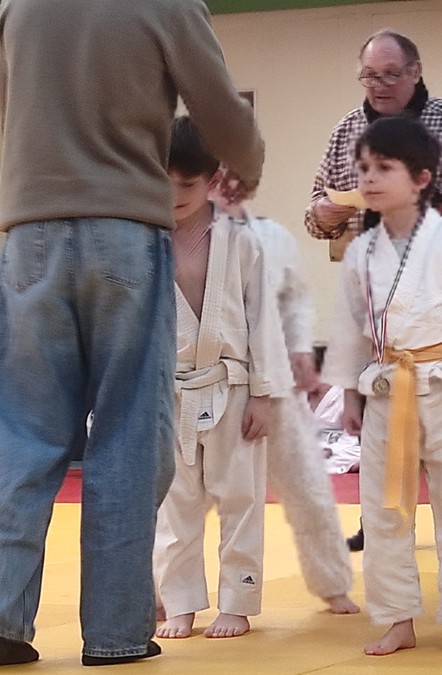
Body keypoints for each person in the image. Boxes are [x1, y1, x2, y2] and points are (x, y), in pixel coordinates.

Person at [0, 0, 263, 666]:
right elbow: (217, 106)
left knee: (22, 435)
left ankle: (2, 616)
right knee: (129, 434)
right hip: (124, 230)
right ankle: (116, 632)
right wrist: (249, 162)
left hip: (28, 233)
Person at [326, 116, 442, 657]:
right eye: (363, 168)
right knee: (385, 511)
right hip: (387, 388)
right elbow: (350, 327)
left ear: (422, 178)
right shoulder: (360, 251)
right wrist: (350, 395)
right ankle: (396, 618)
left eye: (384, 168)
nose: (369, 178)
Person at [153, 116, 290, 641]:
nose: (174, 196)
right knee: (175, 503)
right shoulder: (144, 238)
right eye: (163, 182)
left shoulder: (242, 240)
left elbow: (264, 319)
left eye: (186, 185)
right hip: (169, 390)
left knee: (241, 498)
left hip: (231, 385)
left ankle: (238, 601)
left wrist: (264, 395)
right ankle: (180, 602)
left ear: (213, 180)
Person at [214, 197, 361, 616]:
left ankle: (332, 582)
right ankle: (164, 591)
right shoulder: (168, 239)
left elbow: (292, 307)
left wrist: (299, 358)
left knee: (307, 487)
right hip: (205, 385)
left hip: (274, 382)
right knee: (178, 499)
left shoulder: (267, 238)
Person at [304, 29, 442, 244]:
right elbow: (314, 218)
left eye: (391, 74)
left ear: (416, 72)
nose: (379, 85)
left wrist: (431, 199)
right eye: (370, 75)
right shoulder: (345, 130)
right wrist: (322, 215)